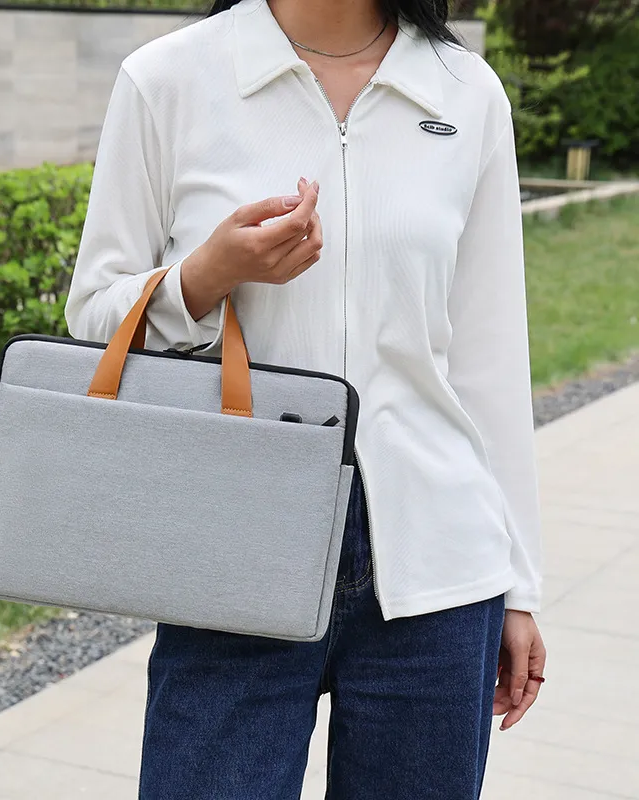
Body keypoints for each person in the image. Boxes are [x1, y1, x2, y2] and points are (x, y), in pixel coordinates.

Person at [64, 0, 547, 796]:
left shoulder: (465, 89)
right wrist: (206, 276)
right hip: (232, 552)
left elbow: (490, 359)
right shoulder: (168, 78)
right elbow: (93, 314)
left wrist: (519, 585)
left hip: (438, 564)